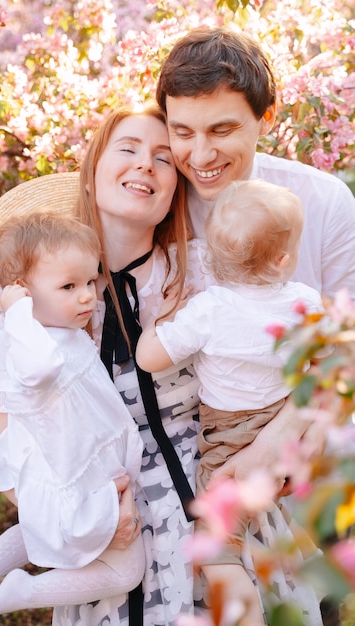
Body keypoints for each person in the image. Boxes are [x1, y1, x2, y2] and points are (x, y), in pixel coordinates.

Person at [0, 105, 324, 626]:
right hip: (111, 534)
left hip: (217, 510)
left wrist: (272, 444)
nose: (145, 165)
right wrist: (94, 518)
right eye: (127, 148)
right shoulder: (40, 299)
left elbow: (312, 366)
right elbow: (9, 454)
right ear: (93, 168)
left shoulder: (211, 274)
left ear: (177, 187)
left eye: (163, 158)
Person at [136, 178, 324, 625]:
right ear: (283, 260)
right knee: (271, 506)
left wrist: (162, 317)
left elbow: (148, 358)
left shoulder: (209, 309)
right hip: (283, 424)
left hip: (229, 439)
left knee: (218, 544)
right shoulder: (304, 302)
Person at [0, 211, 145, 626]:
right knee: (126, 572)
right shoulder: (34, 351)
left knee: (41, 525)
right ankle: (23, 592)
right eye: (69, 286)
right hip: (78, 477)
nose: (88, 296)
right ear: (22, 294)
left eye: (90, 281)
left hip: (76, 468)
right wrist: (16, 312)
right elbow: (39, 369)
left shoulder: (55, 335)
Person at [155, 26, 355, 300]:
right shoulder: (153, 205)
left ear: (267, 118)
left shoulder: (324, 202)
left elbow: (345, 326)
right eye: (183, 133)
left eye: (221, 131)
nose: (201, 156)